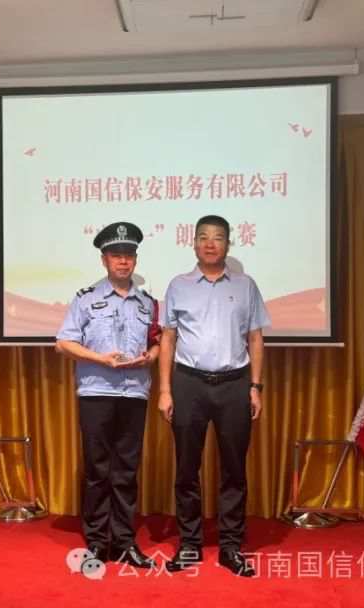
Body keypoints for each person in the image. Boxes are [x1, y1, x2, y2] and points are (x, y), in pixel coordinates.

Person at [157, 214, 270, 578]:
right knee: (186, 468)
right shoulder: (178, 285)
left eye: (218, 237)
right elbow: (168, 339)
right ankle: (189, 544)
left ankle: (231, 546)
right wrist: (165, 390)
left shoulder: (246, 285)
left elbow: (255, 338)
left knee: (234, 469)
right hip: (188, 384)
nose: (210, 243)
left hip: (235, 384)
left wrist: (255, 387)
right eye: (203, 237)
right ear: (193, 243)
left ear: (228, 244)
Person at [56, 221, 161, 569]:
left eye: (129, 255)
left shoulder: (148, 303)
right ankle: (98, 541)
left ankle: (125, 542)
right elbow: (63, 343)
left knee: (126, 471)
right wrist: (100, 358)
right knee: (98, 469)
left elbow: (157, 342)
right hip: (96, 391)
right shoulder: (86, 298)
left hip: (134, 394)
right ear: (104, 260)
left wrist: (151, 357)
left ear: (135, 260)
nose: (123, 261)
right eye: (117, 255)